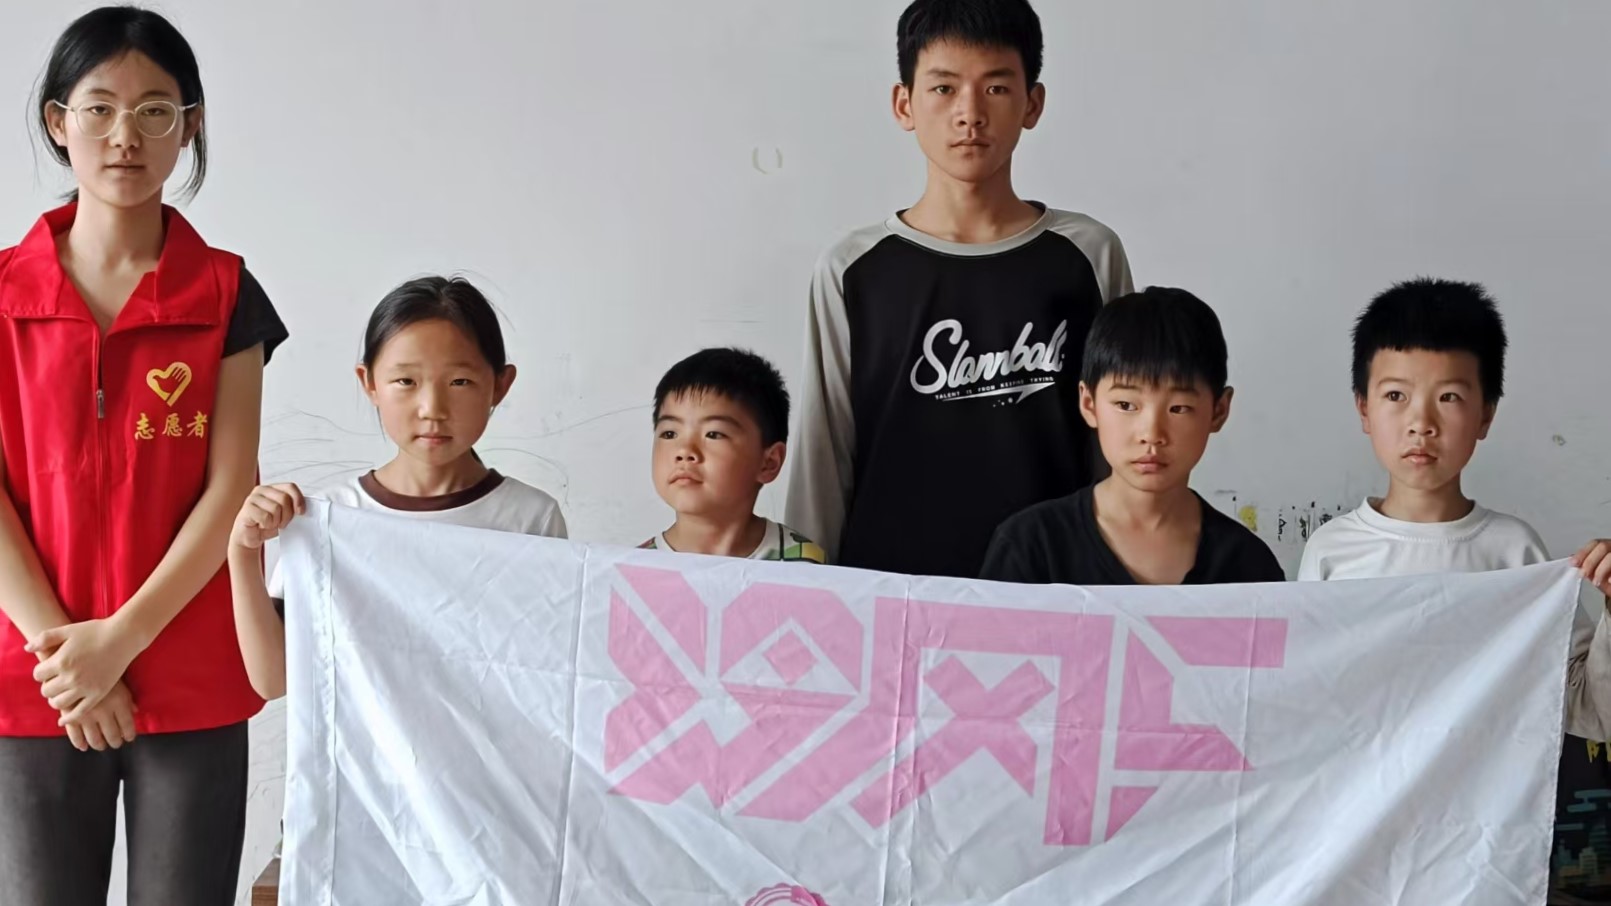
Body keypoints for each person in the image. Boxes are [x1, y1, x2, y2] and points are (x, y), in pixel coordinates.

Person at [0, 8, 289, 903]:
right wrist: (70, 663)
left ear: (189, 125)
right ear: (58, 122)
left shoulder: (226, 293)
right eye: (100, 109)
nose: (126, 136)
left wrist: (119, 642)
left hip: (189, 669)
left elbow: (229, 487)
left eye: (155, 111)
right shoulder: (2, 296)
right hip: (35, 675)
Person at [785, 0, 1132, 579]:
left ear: (1032, 103)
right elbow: (824, 455)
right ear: (905, 104)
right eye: (944, 88)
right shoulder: (853, 269)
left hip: (1053, 591)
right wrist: (811, 592)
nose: (969, 114)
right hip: (895, 597)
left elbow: (1120, 440)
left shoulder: (1089, 255)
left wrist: (1121, 589)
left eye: (995, 88)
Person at [230, 276, 567, 701]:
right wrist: (242, 552)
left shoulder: (530, 518)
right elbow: (273, 680)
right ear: (369, 382)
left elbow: (552, 674)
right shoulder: (331, 517)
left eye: (459, 382)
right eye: (406, 381)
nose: (432, 409)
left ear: (500, 385)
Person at [981, 288, 1282, 586]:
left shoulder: (1249, 566)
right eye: (1126, 405)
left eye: (1179, 408)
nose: (1151, 434)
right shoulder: (1032, 547)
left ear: (1219, 411)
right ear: (1089, 404)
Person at [644, 348, 824, 563]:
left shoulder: (802, 563)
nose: (684, 451)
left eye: (713, 434)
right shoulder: (633, 568)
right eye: (669, 433)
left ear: (769, 462)